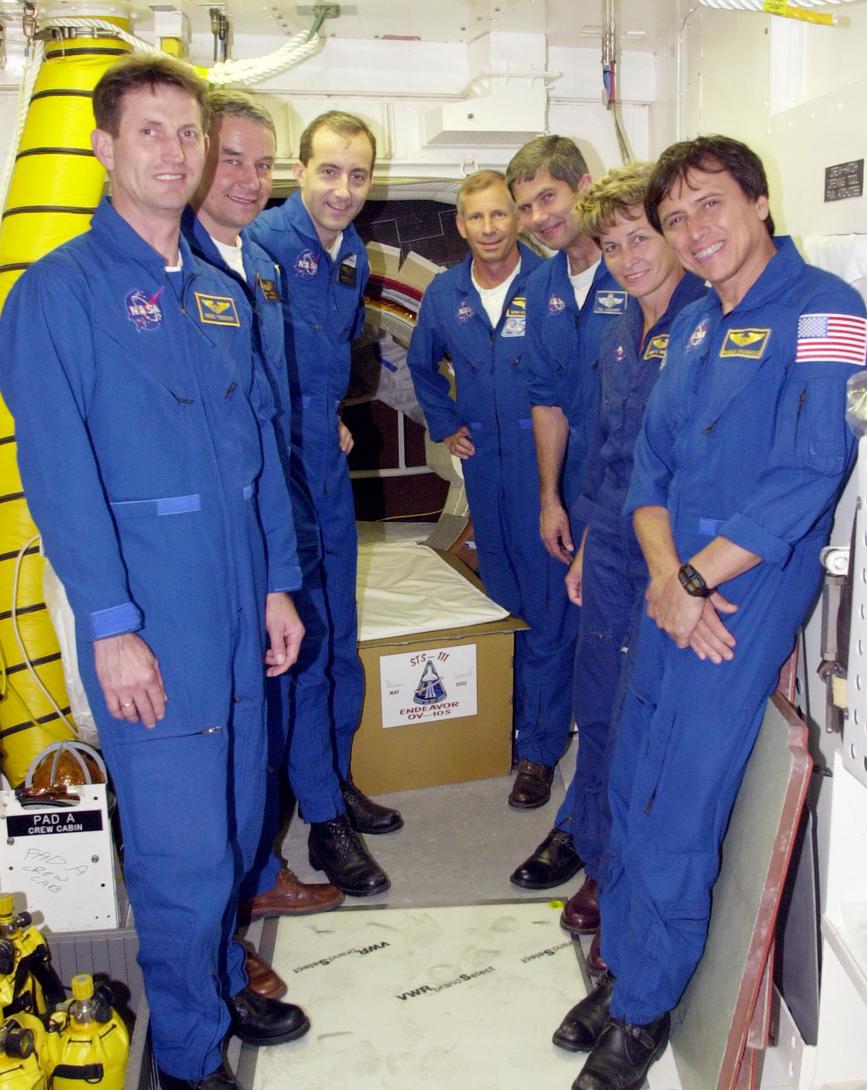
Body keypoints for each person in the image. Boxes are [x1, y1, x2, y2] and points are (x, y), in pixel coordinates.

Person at [0, 54, 311, 1090]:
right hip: (151, 617)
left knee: (232, 822)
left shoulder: (223, 295)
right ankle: (186, 1052)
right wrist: (113, 627)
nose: (176, 152)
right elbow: (58, 477)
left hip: (237, 606)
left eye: (189, 133)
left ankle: (220, 982)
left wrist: (278, 580)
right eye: (153, 133)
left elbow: (261, 452)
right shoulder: (57, 293)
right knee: (180, 849)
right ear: (103, 147)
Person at [564, 136, 867, 1090]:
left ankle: (646, 1007)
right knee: (626, 773)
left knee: (679, 800)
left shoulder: (827, 311)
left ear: (759, 200)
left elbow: (812, 469)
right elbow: (649, 472)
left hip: (739, 593)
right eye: (677, 217)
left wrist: (693, 580)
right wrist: (665, 575)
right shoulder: (696, 327)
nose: (694, 231)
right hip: (676, 586)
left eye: (709, 206)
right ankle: (622, 960)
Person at [182, 89, 345, 1000]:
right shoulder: (181, 267)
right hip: (209, 539)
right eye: (228, 158)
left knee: (268, 718)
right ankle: (221, 935)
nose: (245, 178)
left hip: (270, 508)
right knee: (220, 743)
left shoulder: (257, 262)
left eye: (259, 161)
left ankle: (258, 873)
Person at [547, 166, 706, 978]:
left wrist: (672, 570)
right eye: (610, 245)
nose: (626, 258)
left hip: (670, 556)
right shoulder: (616, 324)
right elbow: (606, 446)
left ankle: (629, 891)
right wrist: (584, 546)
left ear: (673, 235)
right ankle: (602, 867)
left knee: (648, 728)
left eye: (639, 238)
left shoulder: (707, 323)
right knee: (598, 713)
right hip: (609, 544)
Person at [250, 110, 400, 900]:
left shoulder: (353, 258)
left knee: (339, 634)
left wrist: (333, 419)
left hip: (322, 460)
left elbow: (321, 357)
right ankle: (320, 818)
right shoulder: (260, 247)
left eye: (359, 174)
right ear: (299, 171)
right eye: (329, 171)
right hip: (278, 468)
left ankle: (335, 780)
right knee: (304, 647)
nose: (343, 189)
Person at [407, 171, 578, 801]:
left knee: (550, 609)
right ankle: (505, 722)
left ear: (518, 219)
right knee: (503, 601)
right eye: (476, 218)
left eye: (501, 215)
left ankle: (539, 748)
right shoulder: (444, 293)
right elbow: (421, 365)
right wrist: (446, 423)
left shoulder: (552, 284)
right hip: (485, 470)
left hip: (544, 470)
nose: (489, 229)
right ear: (460, 224)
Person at [503, 135, 620, 890]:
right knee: (553, 624)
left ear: (584, 186)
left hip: (631, 486)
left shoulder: (638, 265)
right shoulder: (543, 286)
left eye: (548, 198)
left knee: (607, 657)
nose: (539, 217)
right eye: (525, 207)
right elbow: (546, 399)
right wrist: (550, 496)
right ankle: (541, 750)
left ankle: (586, 822)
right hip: (571, 484)